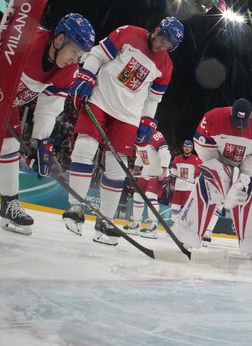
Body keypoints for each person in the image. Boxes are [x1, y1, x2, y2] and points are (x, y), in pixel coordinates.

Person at [61, 17, 183, 245]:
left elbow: (153, 98)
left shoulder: (166, 66)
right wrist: (86, 76)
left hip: (128, 116)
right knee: (84, 147)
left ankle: (106, 221)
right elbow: (98, 54)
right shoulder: (129, 32)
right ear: (157, 29)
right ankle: (76, 207)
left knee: (117, 169)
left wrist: (147, 121)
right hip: (100, 99)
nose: (161, 46)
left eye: (168, 45)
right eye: (162, 39)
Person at [0, 13, 95, 235]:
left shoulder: (67, 70)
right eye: (74, 51)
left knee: (9, 145)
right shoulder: (24, 39)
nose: (75, 59)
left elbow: (49, 107)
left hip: (2, 103)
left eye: (81, 55)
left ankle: (8, 204)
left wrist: (39, 141)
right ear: (60, 39)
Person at [172, 99, 252, 256]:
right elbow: (203, 148)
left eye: (243, 122)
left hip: (242, 167)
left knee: (245, 193)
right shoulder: (213, 117)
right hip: (216, 162)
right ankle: (187, 236)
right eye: (236, 120)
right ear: (231, 112)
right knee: (206, 186)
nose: (239, 126)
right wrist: (221, 174)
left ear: (250, 117)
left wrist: (240, 180)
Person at [123, 120, 170, 238]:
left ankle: (153, 226)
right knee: (137, 195)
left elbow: (165, 154)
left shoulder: (156, 135)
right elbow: (141, 154)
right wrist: (136, 169)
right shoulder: (138, 136)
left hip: (158, 173)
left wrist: (164, 171)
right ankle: (136, 224)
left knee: (150, 196)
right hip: (146, 173)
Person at [168, 139, 201, 223]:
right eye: (185, 146)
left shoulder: (196, 159)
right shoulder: (177, 158)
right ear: (183, 147)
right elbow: (174, 172)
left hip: (190, 189)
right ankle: (174, 225)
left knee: (188, 209)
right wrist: (171, 176)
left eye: (189, 147)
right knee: (175, 206)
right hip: (178, 187)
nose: (187, 148)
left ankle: (187, 226)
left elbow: (199, 174)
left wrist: (196, 184)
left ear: (192, 148)